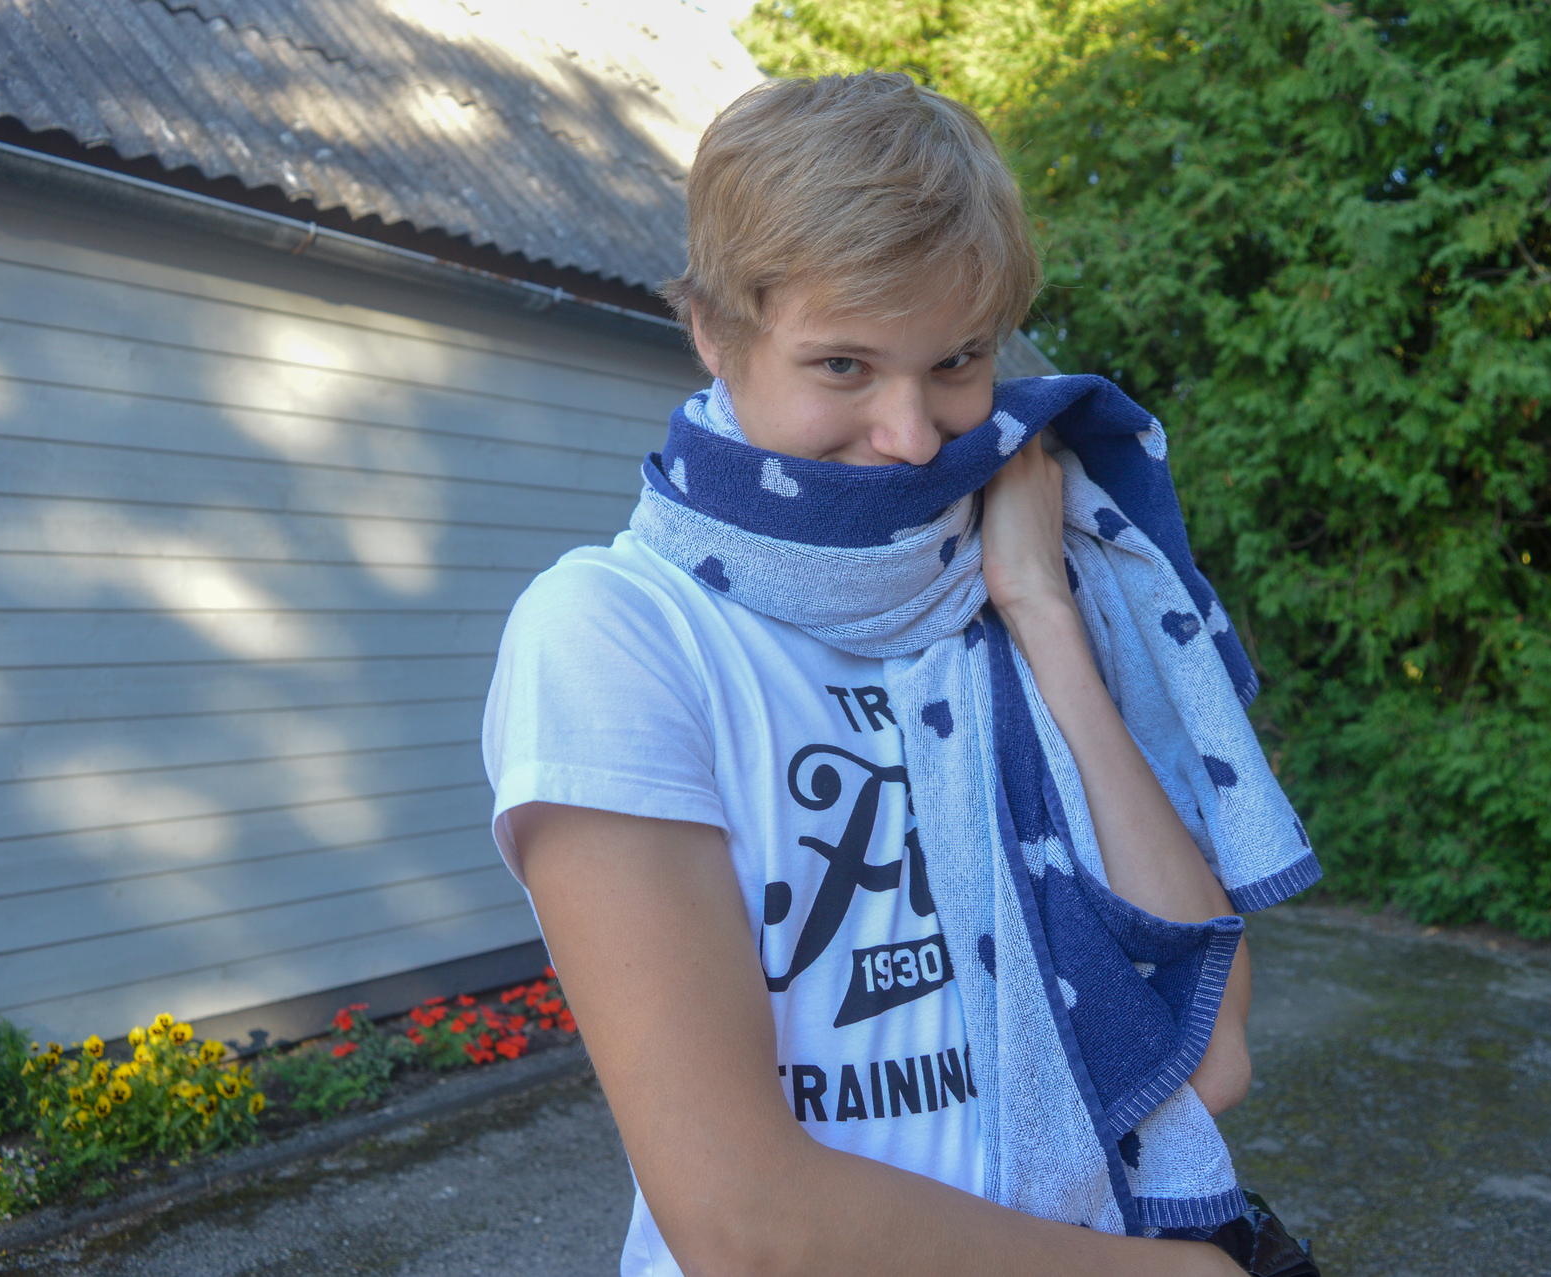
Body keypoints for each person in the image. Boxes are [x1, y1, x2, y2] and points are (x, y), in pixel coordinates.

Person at [482, 73, 1319, 1277]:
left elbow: (1212, 1040)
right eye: (843, 365)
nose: (913, 435)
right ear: (713, 330)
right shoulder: (617, 634)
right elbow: (741, 1221)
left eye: (957, 361)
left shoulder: (1019, 578)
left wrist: (1041, 613)